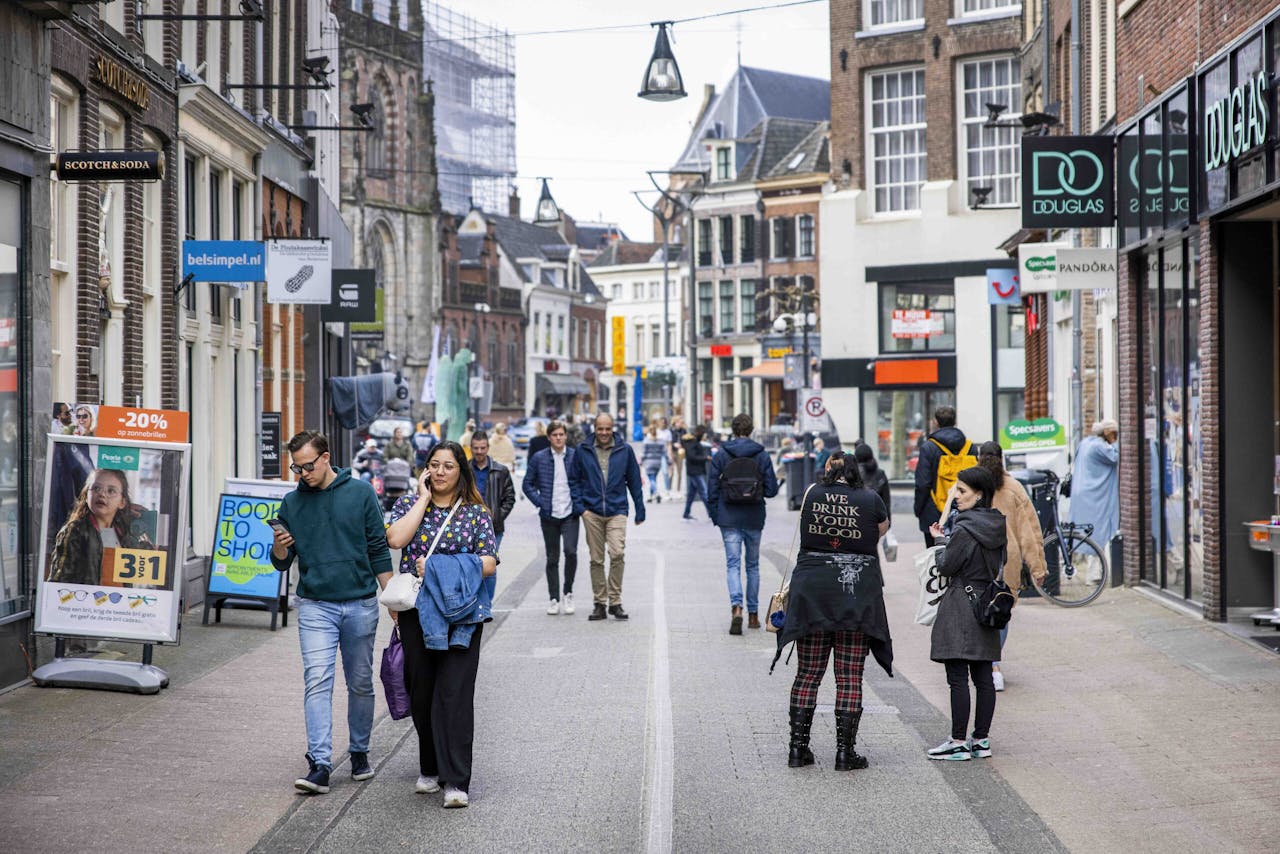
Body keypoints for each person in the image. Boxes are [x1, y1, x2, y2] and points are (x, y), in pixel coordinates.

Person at [269, 431, 393, 794]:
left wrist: (393, 599)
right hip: (315, 606)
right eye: (296, 466)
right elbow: (281, 565)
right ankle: (320, 763)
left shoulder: (360, 493)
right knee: (318, 680)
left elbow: (378, 549)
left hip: (359, 602)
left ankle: (359, 751)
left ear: (326, 458)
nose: (302, 473)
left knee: (359, 681)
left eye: (308, 465)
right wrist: (279, 547)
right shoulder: (291, 504)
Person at [385, 441, 498, 809]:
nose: (440, 472)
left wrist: (436, 569)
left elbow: (489, 562)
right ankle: (430, 766)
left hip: (463, 614)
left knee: (455, 695)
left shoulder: (476, 513)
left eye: (448, 466)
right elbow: (395, 539)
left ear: (460, 471)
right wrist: (421, 497)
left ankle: (456, 780)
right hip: (417, 613)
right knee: (422, 693)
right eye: (434, 465)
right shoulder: (407, 505)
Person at [776, 454, 892, 771]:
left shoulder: (812, 493)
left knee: (808, 674)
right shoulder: (870, 499)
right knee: (850, 676)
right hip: (855, 596)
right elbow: (880, 530)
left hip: (812, 594)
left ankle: (798, 749)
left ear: (828, 470)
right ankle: (845, 753)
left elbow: (804, 527)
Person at [926, 466, 1006, 762]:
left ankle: (958, 741)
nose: (955, 496)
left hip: (961, 603)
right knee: (983, 676)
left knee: (958, 676)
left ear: (979, 494)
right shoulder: (997, 524)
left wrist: (939, 543)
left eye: (961, 491)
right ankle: (981, 740)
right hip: (986, 602)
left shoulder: (964, 526)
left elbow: (947, 566)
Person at [975, 442, 1047, 692]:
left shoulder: (969, 485)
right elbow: (1030, 532)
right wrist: (1038, 568)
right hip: (1008, 560)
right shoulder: (1015, 488)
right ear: (1002, 458)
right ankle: (994, 666)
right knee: (1001, 611)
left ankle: (982, 662)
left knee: (977, 608)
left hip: (976, 558)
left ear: (978, 457)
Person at [708, 413, 780, 634]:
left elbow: (711, 489)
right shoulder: (762, 455)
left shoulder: (721, 454)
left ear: (733, 429)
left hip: (728, 516)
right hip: (754, 517)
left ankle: (736, 608)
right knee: (752, 566)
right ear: (751, 430)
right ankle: (754, 615)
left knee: (732, 564)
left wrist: (716, 515)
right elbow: (772, 490)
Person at [569, 413, 645, 621]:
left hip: (617, 509)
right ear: (594, 428)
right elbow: (573, 480)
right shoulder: (583, 450)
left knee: (618, 553)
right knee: (596, 559)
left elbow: (634, 480)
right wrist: (580, 508)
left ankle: (616, 601)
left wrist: (640, 509)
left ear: (613, 429)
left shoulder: (625, 450)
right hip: (591, 511)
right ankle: (600, 603)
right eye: (600, 429)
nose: (604, 433)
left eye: (607, 429)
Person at [48, 468, 153, 586]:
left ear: (122, 502)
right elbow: (58, 579)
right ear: (86, 495)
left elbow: (143, 568)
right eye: (96, 488)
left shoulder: (123, 533)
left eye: (111, 491)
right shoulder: (75, 530)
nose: (102, 494)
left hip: (119, 601)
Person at [522, 420, 582, 616]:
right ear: (549, 437)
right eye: (554, 435)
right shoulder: (539, 458)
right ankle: (554, 598)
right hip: (549, 514)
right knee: (552, 557)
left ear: (566, 436)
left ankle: (568, 592)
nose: (558, 438)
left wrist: (579, 502)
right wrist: (540, 502)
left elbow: (584, 481)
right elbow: (527, 484)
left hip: (570, 513)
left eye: (561, 434)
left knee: (571, 552)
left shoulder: (575, 456)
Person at [914, 406, 977, 546]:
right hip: (966, 510)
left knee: (934, 556)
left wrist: (919, 510)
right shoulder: (970, 447)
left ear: (936, 422)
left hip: (934, 512)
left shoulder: (928, 447)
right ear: (955, 422)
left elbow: (923, 483)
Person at [1070, 419, 1120, 583]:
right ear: (1108, 433)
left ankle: (1094, 573)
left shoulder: (1086, 442)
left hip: (1083, 495)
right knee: (1097, 532)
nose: (1116, 437)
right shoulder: (1099, 446)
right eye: (1115, 434)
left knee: (1090, 532)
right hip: (1094, 497)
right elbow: (1116, 457)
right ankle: (1092, 575)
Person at [470, 430, 515, 551]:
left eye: (482, 448)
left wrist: (497, 516)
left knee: (489, 566)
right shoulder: (464, 471)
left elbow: (510, 497)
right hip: (468, 528)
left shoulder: (501, 471)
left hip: (494, 527)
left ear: (488, 447)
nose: (479, 451)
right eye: (476, 448)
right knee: (471, 566)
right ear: (471, 448)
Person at [853, 442, 892, 528]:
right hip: (874, 520)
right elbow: (886, 501)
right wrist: (887, 522)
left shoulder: (851, 474)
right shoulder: (880, 474)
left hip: (854, 521)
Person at [681, 423, 712, 521]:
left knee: (691, 494)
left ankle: (686, 513)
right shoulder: (692, 442)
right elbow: (691, 456)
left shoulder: (692, 441)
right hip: (695, 471)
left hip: (693, 470)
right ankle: (712, 513)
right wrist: (705, 458)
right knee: (704, 492)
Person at [641, 425, 668, 503]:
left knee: (651, 479)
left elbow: (644, 453)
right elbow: (664, 453)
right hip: (658, 463)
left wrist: (641, 461)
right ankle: (651, 496)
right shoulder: (661, 441)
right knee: (653, 479)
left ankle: (656, 492)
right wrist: (668, 461)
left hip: (649, 462)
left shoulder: (646, 441)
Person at [668, 416, 686, 501]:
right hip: (672, 451)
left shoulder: (683, 431)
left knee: (679, 471)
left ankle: (678, 490)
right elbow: (667, 442)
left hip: (680, 452)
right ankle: (669, 490)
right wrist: (673, 444)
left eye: (681, 422)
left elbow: (686, 440)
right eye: (679, 422)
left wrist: (682, 445)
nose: (680, 424)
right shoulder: (670, 430)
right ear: (675, 422)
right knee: (671, 472)